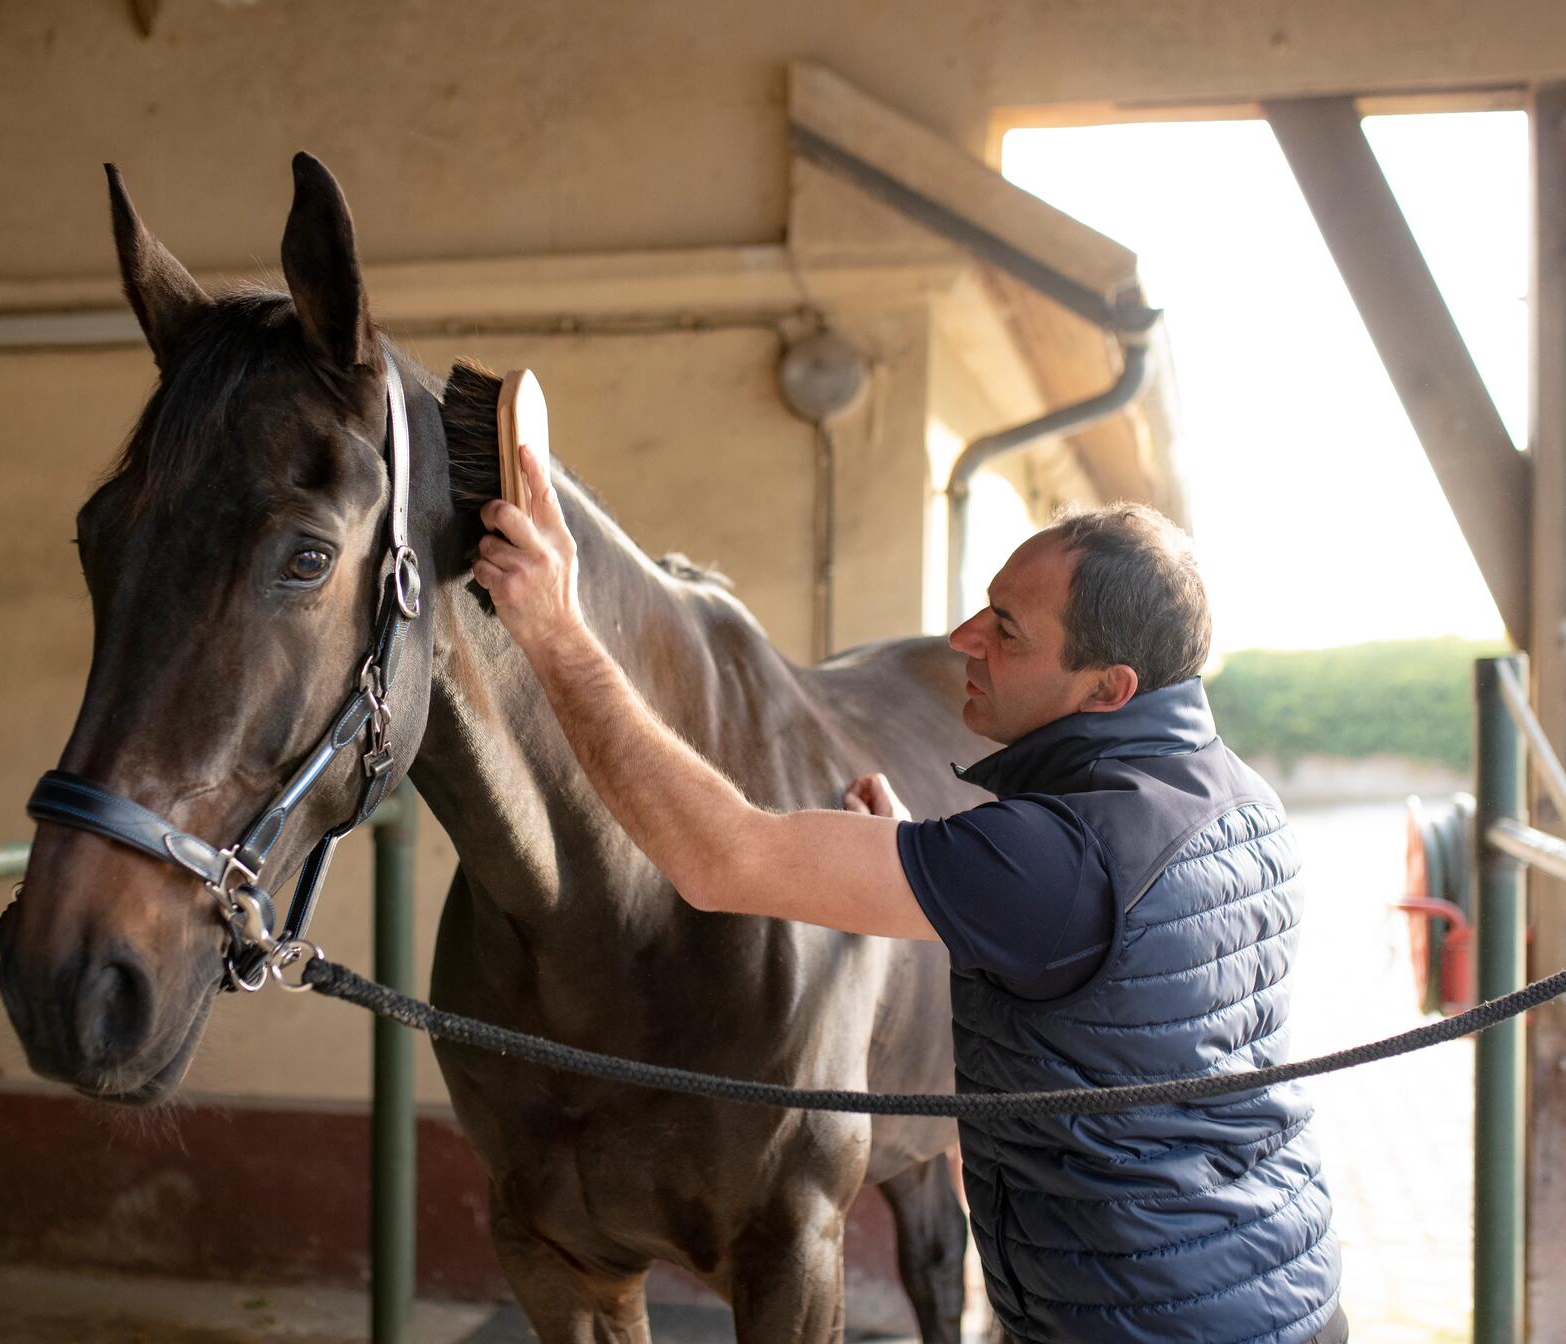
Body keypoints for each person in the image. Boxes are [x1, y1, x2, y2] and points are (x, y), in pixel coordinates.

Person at [471, 444, 1345, 1344]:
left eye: (1008, 630)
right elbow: (1109, 975)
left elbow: (721, 859)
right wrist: (922, 860)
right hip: (1275, 1281)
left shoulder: (1054, 859)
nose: (966, 638)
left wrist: (556, 632)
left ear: (1106, 688)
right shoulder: (1238, 798)